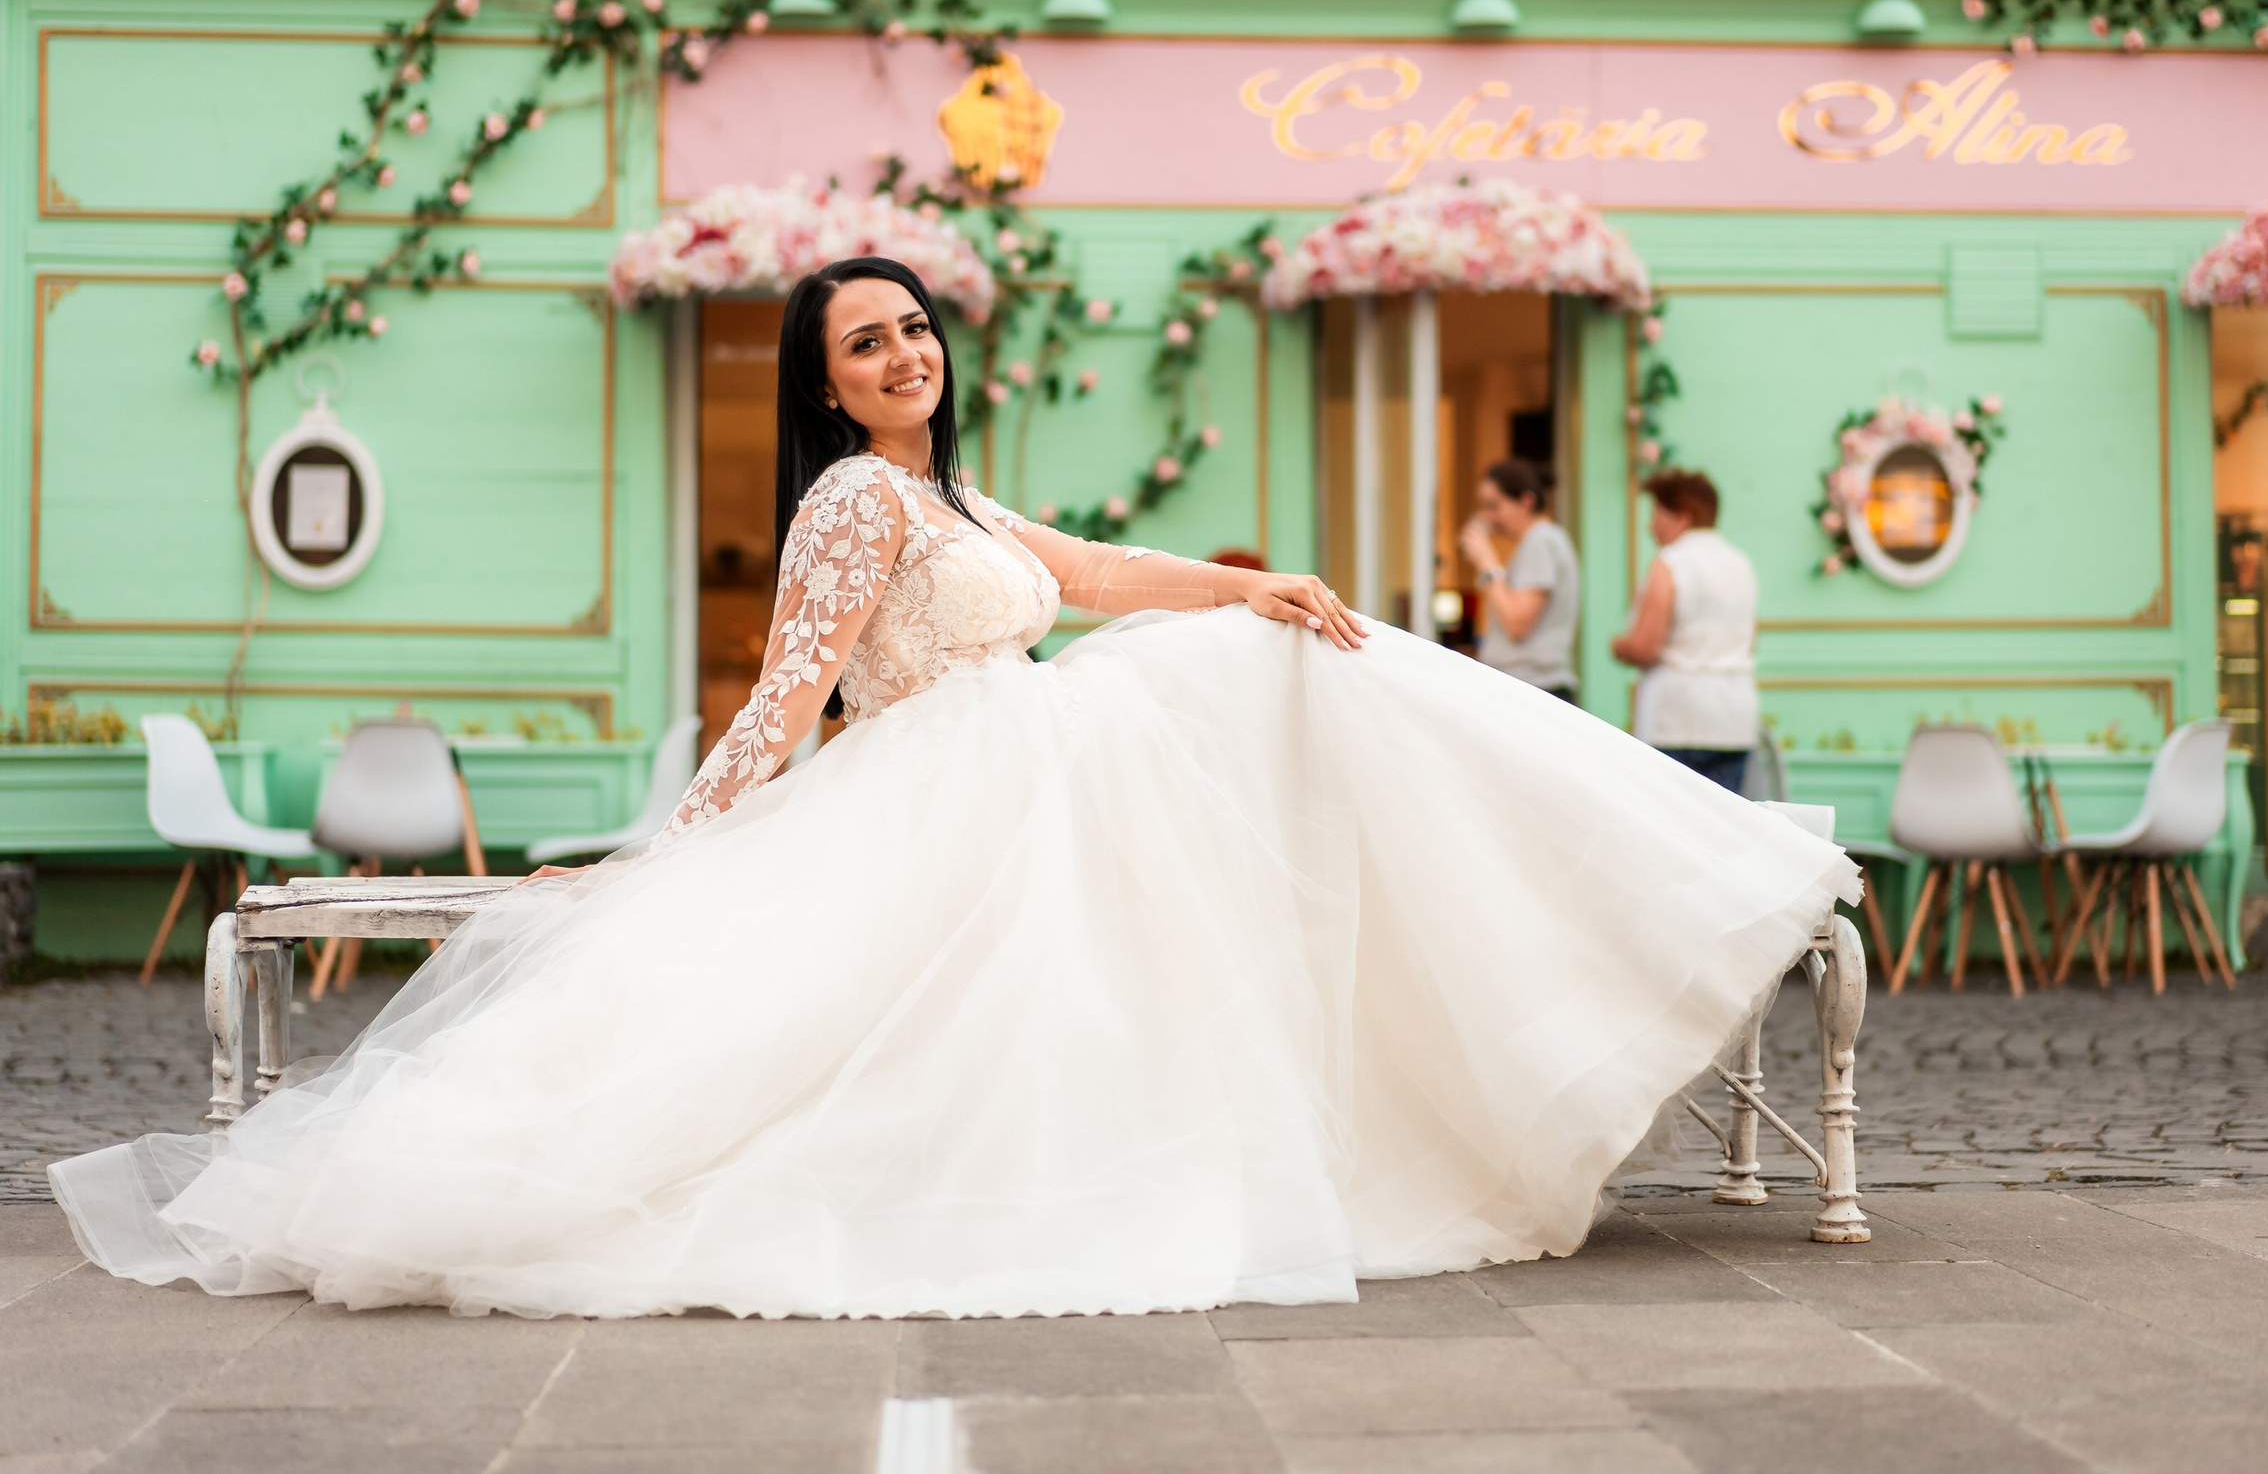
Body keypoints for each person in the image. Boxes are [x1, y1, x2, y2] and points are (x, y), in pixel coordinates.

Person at [52, 258, 1855, 1322]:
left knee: (1281, 660)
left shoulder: (951, 495)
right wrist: (655, 854)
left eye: (912, 329)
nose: (902, 354)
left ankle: (1593, 896)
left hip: (1034, 764)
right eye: (866, 344)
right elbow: (784, 701)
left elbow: (1096, 568)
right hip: (950, 786)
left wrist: (1258, 583)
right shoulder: (853, 500)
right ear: (826, 384)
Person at [1612, 468, 1761, 794]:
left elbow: (1644, 646)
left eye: (1656, 515)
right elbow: (1750, 641)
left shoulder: (1671, 562)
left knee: (1668, 817)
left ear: (1682, 517)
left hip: (1678, 717)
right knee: (1722, 819)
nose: (1650, 526)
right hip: (1734, 718)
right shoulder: (1740, 563)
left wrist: (1619, 646)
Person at [1457, 459, 1581, 703]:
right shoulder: (1539, 542)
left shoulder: (1541, 541)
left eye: (1494, 506)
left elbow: (1518, 623)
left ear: (1526, 502)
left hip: (1536, 689)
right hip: (1531, 687)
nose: (1488, 516)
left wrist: (1488, 563)